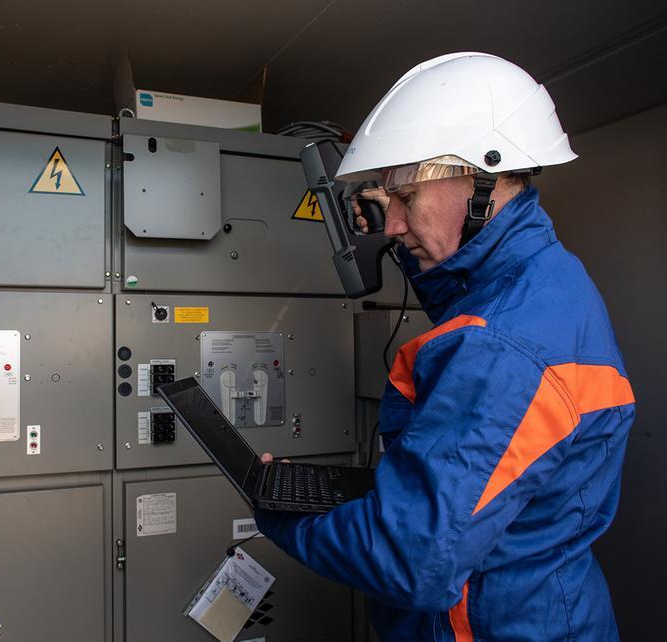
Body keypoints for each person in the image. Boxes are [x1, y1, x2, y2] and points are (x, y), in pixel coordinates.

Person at [256, 52, 635, 641]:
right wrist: (411, 229)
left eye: (405, 200)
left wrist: (280, 512)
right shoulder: (539, 279)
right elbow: (472, 311)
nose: (395, 227)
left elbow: (408, 560)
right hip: (541, 607)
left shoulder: (504, 349)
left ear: (481, 180)